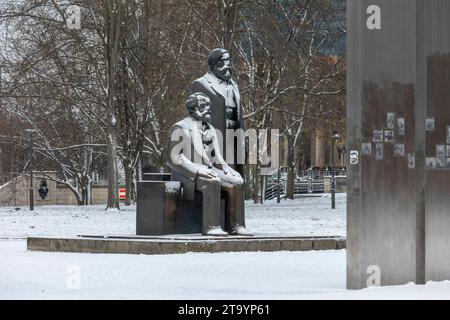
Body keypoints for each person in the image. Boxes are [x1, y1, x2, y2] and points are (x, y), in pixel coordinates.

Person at [167, 92, 251, 236]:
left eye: (208, 105)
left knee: (237, 181)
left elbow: (216, 157)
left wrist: (228, 170)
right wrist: (198, 171)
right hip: (187, 174)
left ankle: (236, 226)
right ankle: (211, 227)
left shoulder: (211, 129)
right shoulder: (180, 127)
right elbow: (174, 158)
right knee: (212, 182)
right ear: (193, 109)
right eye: (204, 106)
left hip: (209, 170)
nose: (209, 109)